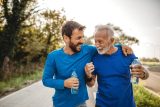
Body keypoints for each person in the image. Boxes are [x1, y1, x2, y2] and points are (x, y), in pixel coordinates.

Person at [42, 21, 133, 107]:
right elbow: (46, 80)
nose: (82, 41)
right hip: (61, 104)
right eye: (78, 38)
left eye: (82, 37)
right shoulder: (53, 56)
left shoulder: (88, 50)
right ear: (66, 38)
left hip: (81, 103)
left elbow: (106, 46)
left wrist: (121, 46)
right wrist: (64, 83)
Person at [85, 25, 149, 107]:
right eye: (95, 41)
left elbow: (145, 74)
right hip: (102, 104)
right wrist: (88, 75)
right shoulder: (95, 58)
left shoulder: (127, 53)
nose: (96, 45)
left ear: (111, 41)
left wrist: (143, 73)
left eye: (100, 41)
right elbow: (91, 84)